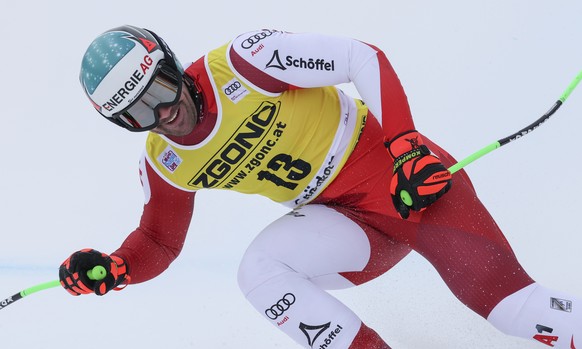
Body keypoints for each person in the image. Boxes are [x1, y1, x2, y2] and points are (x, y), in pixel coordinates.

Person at [59, 25, 581, 348]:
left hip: (408, 184)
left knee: (516, 312)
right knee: (259, 273)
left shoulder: (242, 62)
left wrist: (405, 145)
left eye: (162, 89)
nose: (163, 112)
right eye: (138, 113)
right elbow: (159, 242)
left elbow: (362, 57)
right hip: (347, 227)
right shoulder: (166, 161)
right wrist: (120, 267)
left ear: (173, 65)